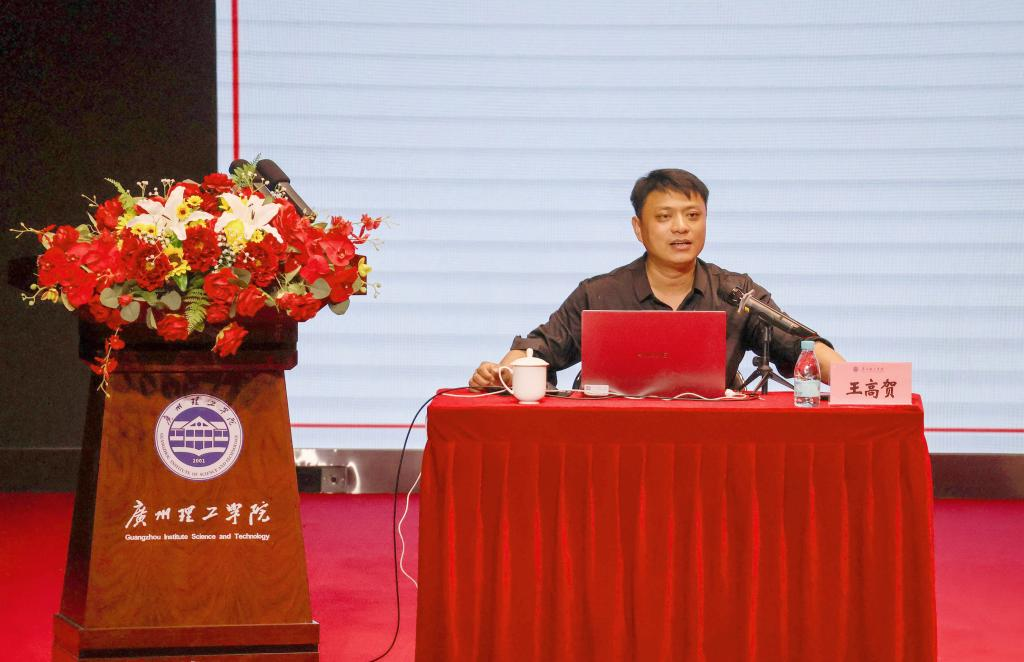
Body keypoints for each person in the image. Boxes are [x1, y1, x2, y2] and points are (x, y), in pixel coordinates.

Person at [469, 168, 844, 390]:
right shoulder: (600, 293)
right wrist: (500, 373)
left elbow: (801, 347)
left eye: (693, 216)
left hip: (708, 445)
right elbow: (536, 350)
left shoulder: (735, 291)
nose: (681, 227)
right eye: (665, 217)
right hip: (608, 444)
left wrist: (854, 381)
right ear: (639, 228)